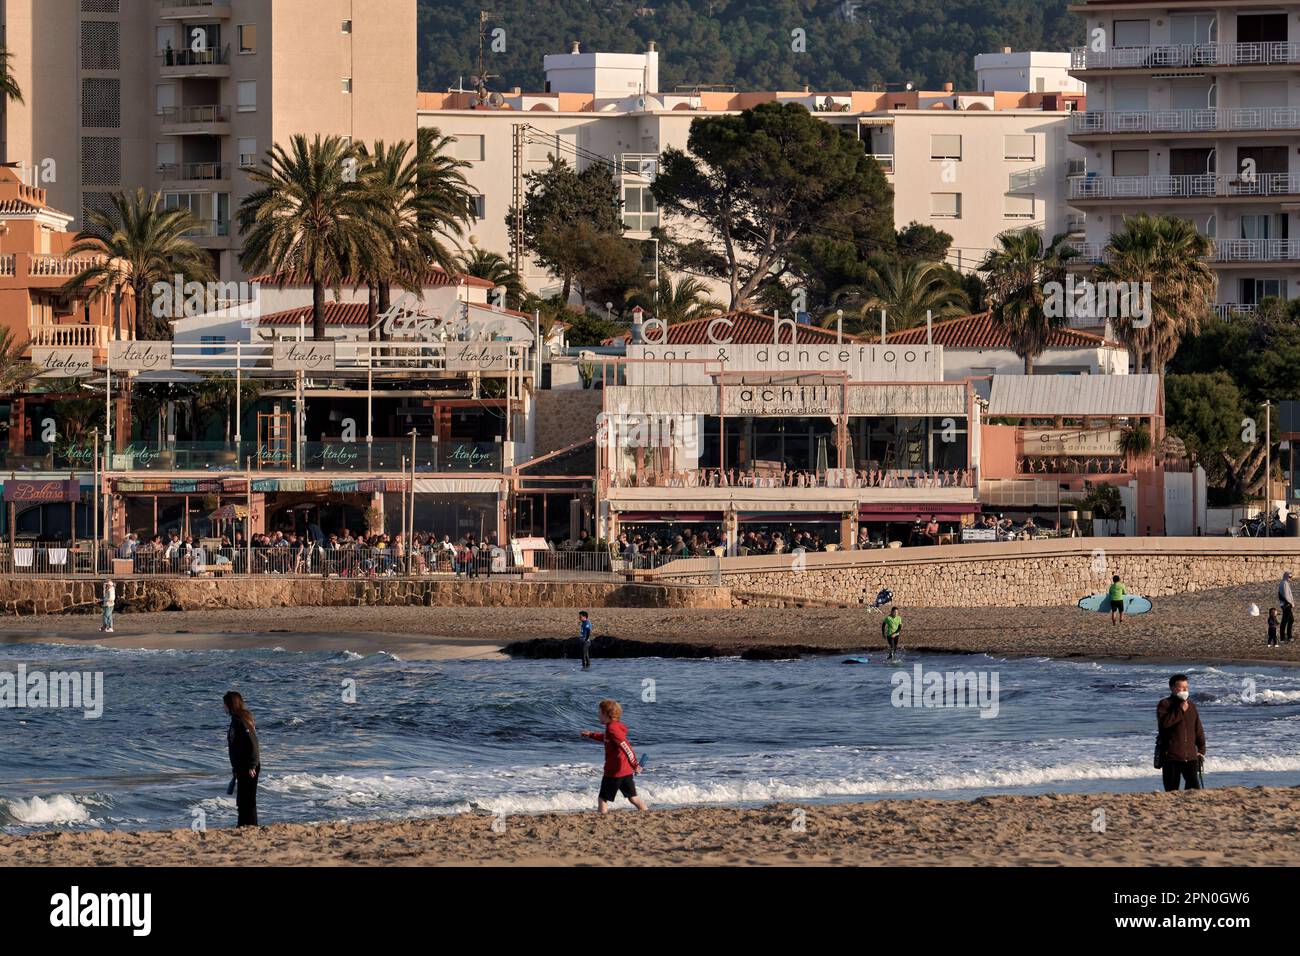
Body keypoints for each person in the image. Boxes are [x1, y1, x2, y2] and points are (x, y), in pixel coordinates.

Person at [580, 699, 647, 813]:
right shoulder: (614, 726)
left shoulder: (612, 729)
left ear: (606, 714)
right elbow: (607, 738)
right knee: (633, 797)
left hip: (614, 771)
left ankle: (602, 818)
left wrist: (635, 764)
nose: (598, 715)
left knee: (603, 798)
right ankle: (645, 812)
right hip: (625, 771)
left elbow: (626, 746)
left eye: (599, 712)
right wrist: (591, 735)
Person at [1156, 674, 1205, 792]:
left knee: (1194, 791)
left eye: (1186, 688)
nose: (1184, 690)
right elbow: (1165, 724)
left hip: (1191, 757)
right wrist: (1180, 710)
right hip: (1171, 757)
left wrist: (1201, 749)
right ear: (1172, 688)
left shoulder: (1191, 705)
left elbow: (1198, 728)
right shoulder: (1165, 704)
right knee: (1172, 791)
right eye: (1181, 688)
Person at [224, 691, 261, 826]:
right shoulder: (237, 719)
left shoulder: (241, 720)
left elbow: (253, 743)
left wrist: (252, 764)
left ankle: (249, 826)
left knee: (247, 799)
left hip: (248, 765)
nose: (223, 707)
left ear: (230, 704)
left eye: (225, 704)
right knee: (243, 799)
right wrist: (235, 768)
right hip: (242, 765)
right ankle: (244, 824)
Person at [1279, 572, 1295, 644]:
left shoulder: (1285, 583)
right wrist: (1291, 603)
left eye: (1291, 577)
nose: (1290, 578)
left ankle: (1288, 636)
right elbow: (1286, 595)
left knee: (1291, 620)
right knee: (1285, 621)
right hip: (1286, 605)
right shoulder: (1284, 583)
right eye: (1289, 577)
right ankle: (1283, 637)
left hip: (1287, 604)